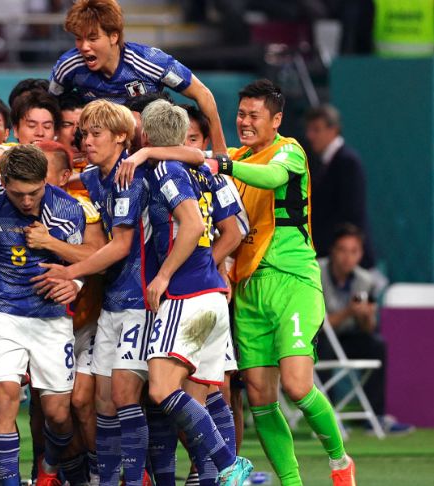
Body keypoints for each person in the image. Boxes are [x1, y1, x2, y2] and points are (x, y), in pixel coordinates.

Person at [116, 79, 357, 486]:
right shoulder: (235, 156)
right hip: (246, 285)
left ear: (276, 119)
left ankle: (339, 461)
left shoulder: (289, 151)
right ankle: (291, 482)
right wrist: (148, 150)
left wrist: (218, 162)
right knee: (261, 397)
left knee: (297, 386)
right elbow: (194, 154)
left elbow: (268, 177)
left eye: (253, 115)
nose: (244, 122)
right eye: (240, 114)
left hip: (292, 279)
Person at [129, 99, 252, 486]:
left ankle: (229, 463)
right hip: (214, 297)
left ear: (145, 135)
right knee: (206, 398)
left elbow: (193, 223)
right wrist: (207, 266)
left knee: (163, 388)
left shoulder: (164, 168)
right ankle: (223, 475)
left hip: (186, 298)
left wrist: (165, 275)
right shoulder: (210, 172)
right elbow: (235, 231)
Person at [35, 99, 155, 486]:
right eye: (84, 133)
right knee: (102, 402)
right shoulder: (92, 177)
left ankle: (139, 478)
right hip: (111, 303)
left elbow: (119, 247)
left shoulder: (130, 178)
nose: (87, 140)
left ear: (122, 137)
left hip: (140, 299)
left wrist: (70, 271)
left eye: (96, 133)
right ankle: (108, 480)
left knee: (124, 396)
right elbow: (50, 171)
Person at [0, 144, 86, 486]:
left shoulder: (67, 209)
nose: (28, 202)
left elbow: (86, 257)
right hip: (4, 314)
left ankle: (48, 470)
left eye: (35, 192)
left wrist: (74, 279)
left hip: (51, 319)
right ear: (3, 183)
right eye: (19, 194)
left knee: (58, 416)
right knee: (4, 397)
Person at [49, 0, 229, 155]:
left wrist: (220, 152)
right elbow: (49, 105)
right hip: (100, 153)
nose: (84, 46)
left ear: (114, 36)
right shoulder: (69, 66)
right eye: (79, 39)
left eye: (92, 38)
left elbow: (202, 94)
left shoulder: (151, 62)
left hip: (152, 152)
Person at [318, 224, 413, 434]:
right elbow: (317, 325)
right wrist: (348, 312)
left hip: (349, 336)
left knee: (376, 345)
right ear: (333, 251)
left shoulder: (365, 280)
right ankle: (327, 416)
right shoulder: (315, 273)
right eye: (342, 250)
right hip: (320, 338)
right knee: (323, 347)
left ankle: (375, 416)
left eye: (354, 251)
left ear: (360, 254)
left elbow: (368, 329)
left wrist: (366, 316)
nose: (347, 257)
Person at [304, 104, 376, 269]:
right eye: (309, 129)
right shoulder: (322, 162)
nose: (310, 136)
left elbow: (350, 213)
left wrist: (341, 252)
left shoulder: (347, 162)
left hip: (346, 262)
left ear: (333, 130)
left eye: (316, 129)